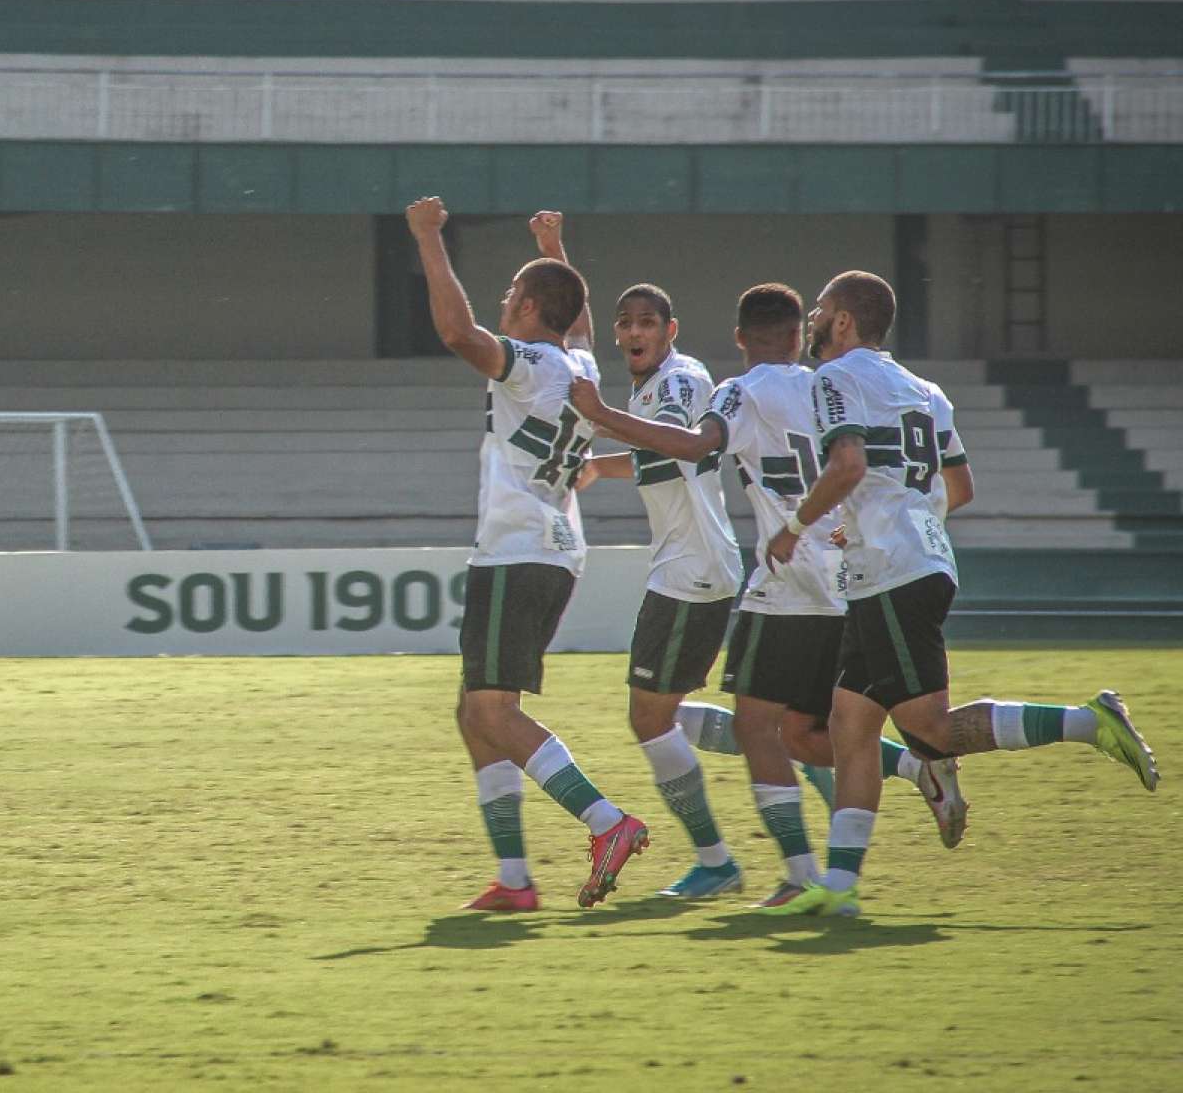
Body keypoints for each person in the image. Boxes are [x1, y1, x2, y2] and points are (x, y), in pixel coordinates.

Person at [757, 272, 1159, 917]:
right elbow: (960, 488)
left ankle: (1090, 720)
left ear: (841, 321)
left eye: (822, 312)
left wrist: (795, 527)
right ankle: (838, 887)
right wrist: (887, 519)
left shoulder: (836, 378)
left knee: (932, 731)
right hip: (905, 562)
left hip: (890, 571)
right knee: (850, 723)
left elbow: (848, 466)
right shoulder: (925, 390)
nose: (813, 324)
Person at [569, 284, 965, 909]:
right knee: (811, 733)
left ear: (738, 338)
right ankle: (912, 776)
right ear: (794, 334)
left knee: (758, 726)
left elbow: (696, 447)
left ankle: (796, 872)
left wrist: (600, 414)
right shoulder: (829, 386)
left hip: (785, 583)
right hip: (849, 579)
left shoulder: (737, 391)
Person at [405, 197, 650, 912]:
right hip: (551, 547)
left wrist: (427, 238)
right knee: (474, 709)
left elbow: (455, 331)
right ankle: (515, 880)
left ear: (530, 305)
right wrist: (555, 247)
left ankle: (608, 822)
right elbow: (578, 317)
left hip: (518, 549)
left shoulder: (529, 362)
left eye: (512, 292)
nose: (502, 301)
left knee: (490, 707)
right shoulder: (576, 363)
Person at [575, 285, 745, 899]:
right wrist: (602, 463)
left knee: (648, 719)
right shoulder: (654, 388)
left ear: (670, 329)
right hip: (694, 567)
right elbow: (659, 456)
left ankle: (717, 863)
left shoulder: (677, 381)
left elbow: (672, 440)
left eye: (646, 321)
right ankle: (801, 743)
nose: (632, 331)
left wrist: (599, 417)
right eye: (623, 323)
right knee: (663, 716)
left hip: (689, 572)